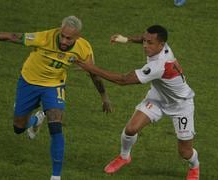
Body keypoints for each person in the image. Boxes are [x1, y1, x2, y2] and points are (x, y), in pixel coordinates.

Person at [0, 15, 113, 180]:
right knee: (18, 128)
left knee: (56, 126)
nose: (64, 41)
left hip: (54, 85)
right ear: (59, 31)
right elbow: (10, 37)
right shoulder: (44, 38)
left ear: (78, 37)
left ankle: (56, 176)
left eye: (69, 38)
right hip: (29, 82)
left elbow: (94, 75)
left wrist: (104, 97)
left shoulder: (84, 48)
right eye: (63, 36)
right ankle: (36, 121)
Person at [74, 25, 199, 180]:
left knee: (185, 152)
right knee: (131, 129)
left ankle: (194, 167)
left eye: (150, 43)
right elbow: (144, 38)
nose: (145, 45)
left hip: (181, 105)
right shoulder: (161, 45)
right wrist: (126, 39)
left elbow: (123, 80)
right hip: (158, 97)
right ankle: (124, 157)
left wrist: (91, 68)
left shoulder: (159, 65)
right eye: (145, 41)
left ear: (161, 45)